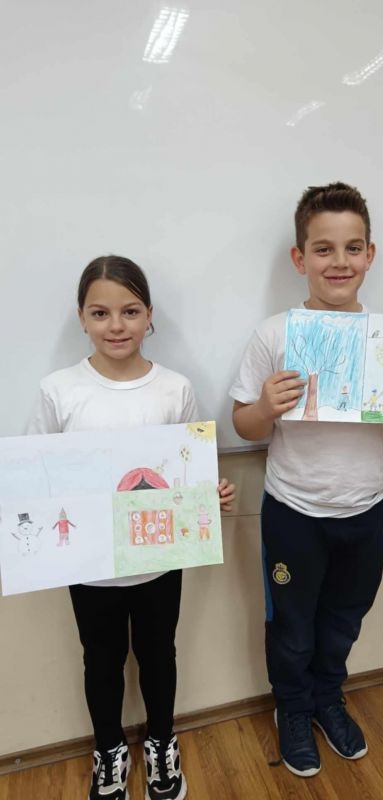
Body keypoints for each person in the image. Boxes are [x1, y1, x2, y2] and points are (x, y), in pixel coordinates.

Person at [230, 182, 383, 777]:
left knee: (344, 619)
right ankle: (293, 708)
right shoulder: (275, 334)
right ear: (299, 258)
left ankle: (328, 697)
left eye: (353, 248)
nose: (339, 261)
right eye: (323, 249)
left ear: (370, 255)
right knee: (292, 627)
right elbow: (243, 423)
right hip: (294, 511)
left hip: (369, 508)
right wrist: (266, 407)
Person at [27, 255, 235, 800]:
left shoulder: (174, 389)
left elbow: (191, 472)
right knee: (101, 660)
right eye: (100, 313)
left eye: (130, 311)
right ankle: (109, 749)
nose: (116, 325)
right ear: (81, 317)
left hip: (159, 563)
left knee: (159, 654)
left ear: (149, 316)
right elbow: (36, 476)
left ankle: (162, 741)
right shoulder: (58, 390)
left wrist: (209, 496)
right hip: (90, 569)